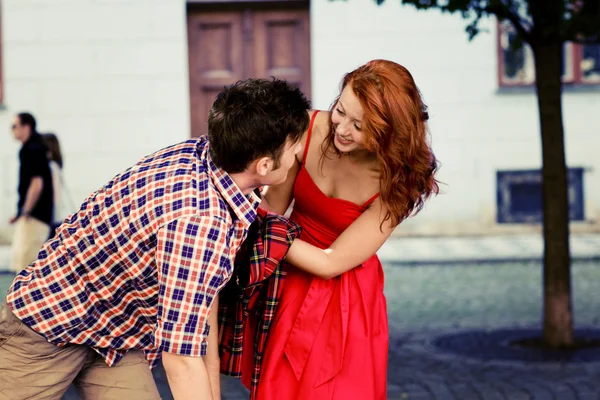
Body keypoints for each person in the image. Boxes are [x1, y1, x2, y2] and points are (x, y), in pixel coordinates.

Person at [0, 78, 310, 400]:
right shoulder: (199, 223)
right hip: (52, 319)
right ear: (263, 165)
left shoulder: (210, 154)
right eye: (294, 146)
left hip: (120, 331)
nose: (299, 152)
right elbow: (180, 358)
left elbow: (199, 309)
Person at [252, 60, 440, 399]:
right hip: (289, 279)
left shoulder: (399, 179)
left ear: (389, 131)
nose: (342, 129)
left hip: (348, 297)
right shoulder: (308, 128)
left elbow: (330, 262)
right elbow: (272, 211)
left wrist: (267, 233)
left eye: (361, 126)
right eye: (341, 110)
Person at [9, 112, 54, 273]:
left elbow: (36, 183)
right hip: (34, 214)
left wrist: (26, 211)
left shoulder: (32, 149)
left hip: (35, 216)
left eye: (14, 126)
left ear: (26, 127)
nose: (12, 130)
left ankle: (16, 299)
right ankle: (12, 299)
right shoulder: (34, 148)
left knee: (25, 264)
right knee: (21, 260)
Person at [42, 132, 72, 239]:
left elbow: (55, 196)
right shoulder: (55, 166)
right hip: (56, 218)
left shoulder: (51, 167)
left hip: (53, 219)